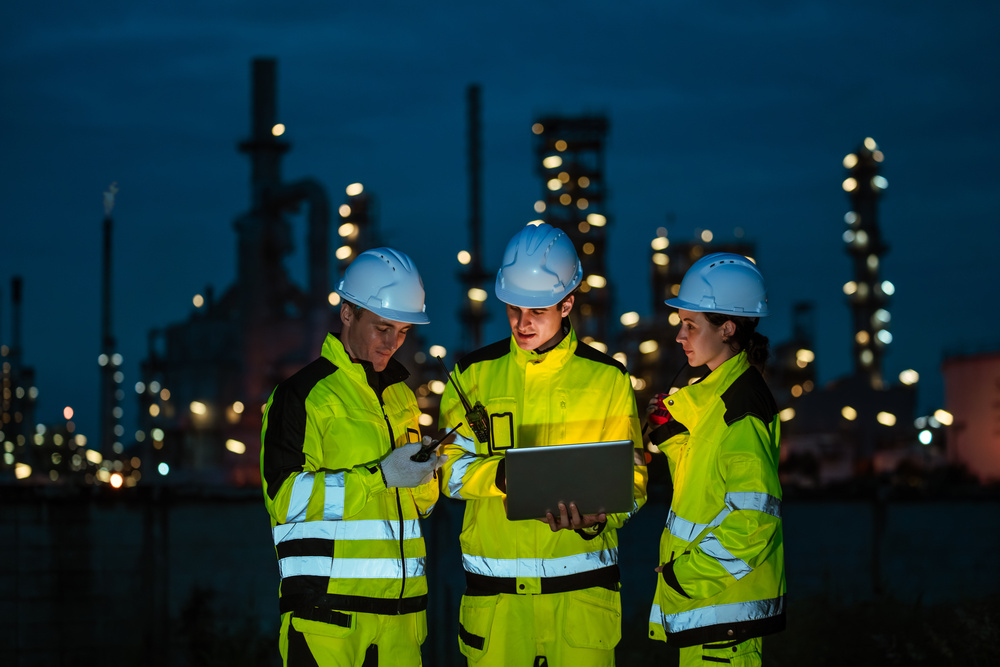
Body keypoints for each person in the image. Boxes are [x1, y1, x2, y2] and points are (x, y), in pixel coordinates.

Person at [437, 222, 648, 666]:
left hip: (581, 607)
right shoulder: (471, 376)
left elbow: (634, 478)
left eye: (537, 309)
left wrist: (597, 518)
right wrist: (500, 475)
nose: (522, 322)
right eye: (513, 308)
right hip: (498, 611)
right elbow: (447, 471)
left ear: (568, 302)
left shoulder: (607, 379)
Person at [260, 247, 444, 666]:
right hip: (329, 623)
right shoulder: (301, 395)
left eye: (401, 331)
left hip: (401, 624)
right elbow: (285, 500)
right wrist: (380, 476)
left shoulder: (401, 396)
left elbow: (415, 506)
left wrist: (425, 474)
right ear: (347, 314)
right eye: (382, 328)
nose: (393, 343)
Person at [646, 252, 785, 667]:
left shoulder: (739, 409)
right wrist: (671, 437)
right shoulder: (717, 396)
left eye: (690, 325)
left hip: (723, 617)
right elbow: (705, 482)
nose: (679, 336)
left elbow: (754, 521)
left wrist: (682, 576)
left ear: (727, 328)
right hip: (711, 612)